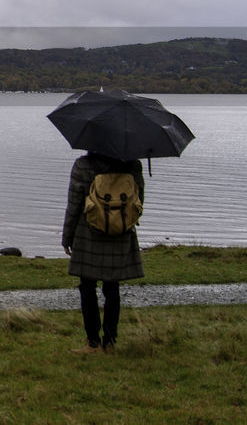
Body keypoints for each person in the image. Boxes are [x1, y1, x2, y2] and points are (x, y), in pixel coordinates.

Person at [62, 151, 145, 354]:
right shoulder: (133, 165)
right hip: (121, 233)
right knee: (112, 287)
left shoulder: (83, 165)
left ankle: (92, 343)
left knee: (87, 287)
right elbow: (139, 201)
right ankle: (110, 342)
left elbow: (74, 204)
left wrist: (67, 236)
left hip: (88, 232)